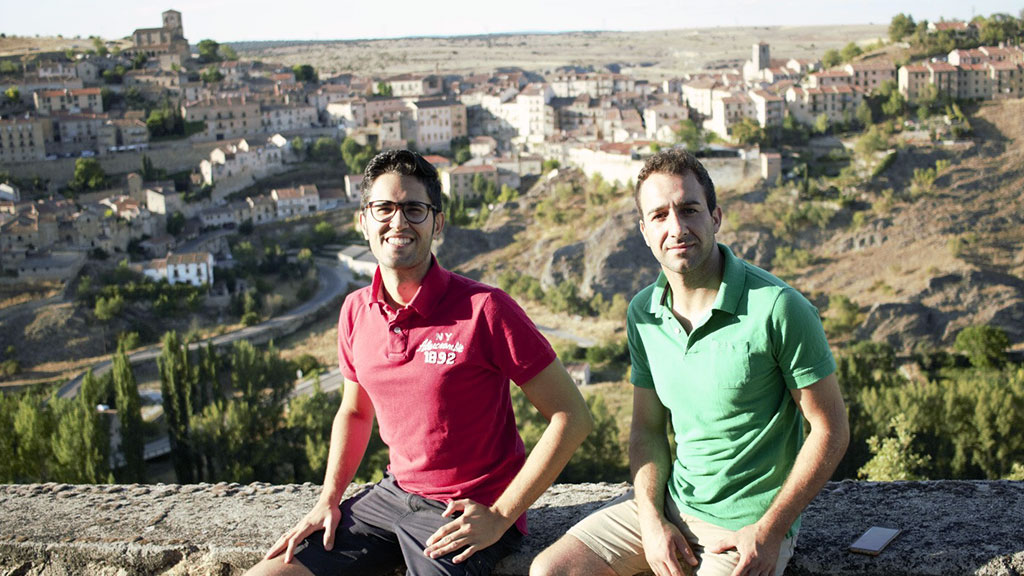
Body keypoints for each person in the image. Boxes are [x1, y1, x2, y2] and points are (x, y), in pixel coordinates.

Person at [247, 149, 593, 576]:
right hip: (388, 499)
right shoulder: (355, 310)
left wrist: (502, 515)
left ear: (437, 222)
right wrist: (328, 500)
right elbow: (355, 412)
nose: (398, 222)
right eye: (383, 208)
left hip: (463, 513)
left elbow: (572, 416)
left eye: (414, 209)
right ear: (364, 222)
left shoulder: (485, 308)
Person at [531, 149, 849, 576]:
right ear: (644, 231)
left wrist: (771, 531)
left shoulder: (778, 308)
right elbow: (646, 430)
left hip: (747, 528)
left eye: (689, 209)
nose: (676, 228)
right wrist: (651, 521)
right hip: (673, 505)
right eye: (660, 215)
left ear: (715, 217)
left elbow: (830, 429)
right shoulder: (643, 312)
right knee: (550, 570)